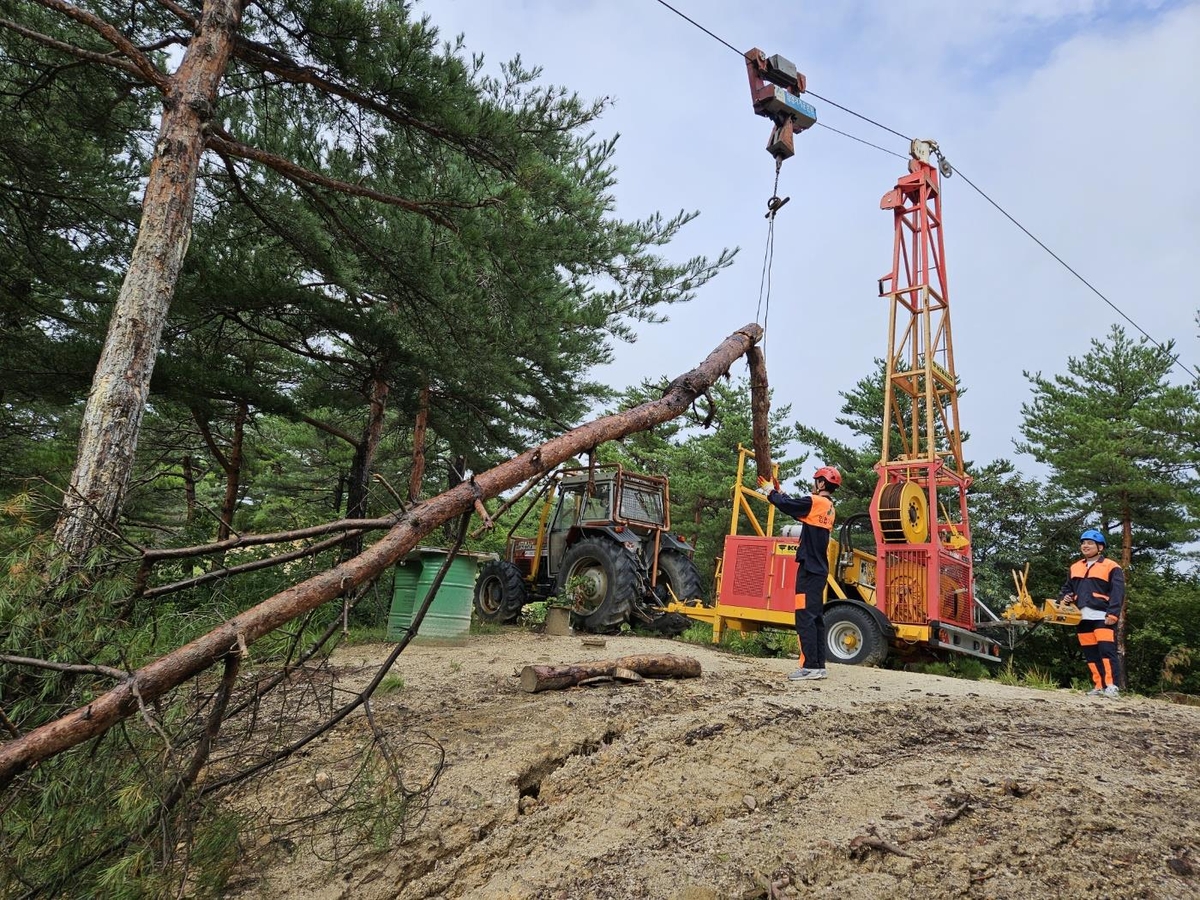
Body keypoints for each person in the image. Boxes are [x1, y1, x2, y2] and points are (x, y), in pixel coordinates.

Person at [757, 466, 840, 681]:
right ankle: (818, 666)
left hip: (809, 570)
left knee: (804, 617)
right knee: (816, 619)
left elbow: (790, 506)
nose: (813, 485)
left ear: (821, 484)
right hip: (819, 570)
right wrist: (779, 493)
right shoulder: (829, 507)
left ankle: (809, 667)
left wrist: (770, 493)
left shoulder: (816, 502)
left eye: (815, 482)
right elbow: (797, 507)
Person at [1060, 529, 1125, 698]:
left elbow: (1118, 592)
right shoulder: (1075, 567)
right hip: (1081, 617)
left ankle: (1111, 686)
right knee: (1090, 654)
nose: (1085, 546)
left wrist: (1113, 614)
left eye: (1090, 543)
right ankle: (1098, 685)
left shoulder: (1112, 566)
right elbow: (1067, 589)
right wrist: (1065, 597)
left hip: (1103, 616)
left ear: (1100, 547)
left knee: (1106, 651)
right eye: (1083, 543)